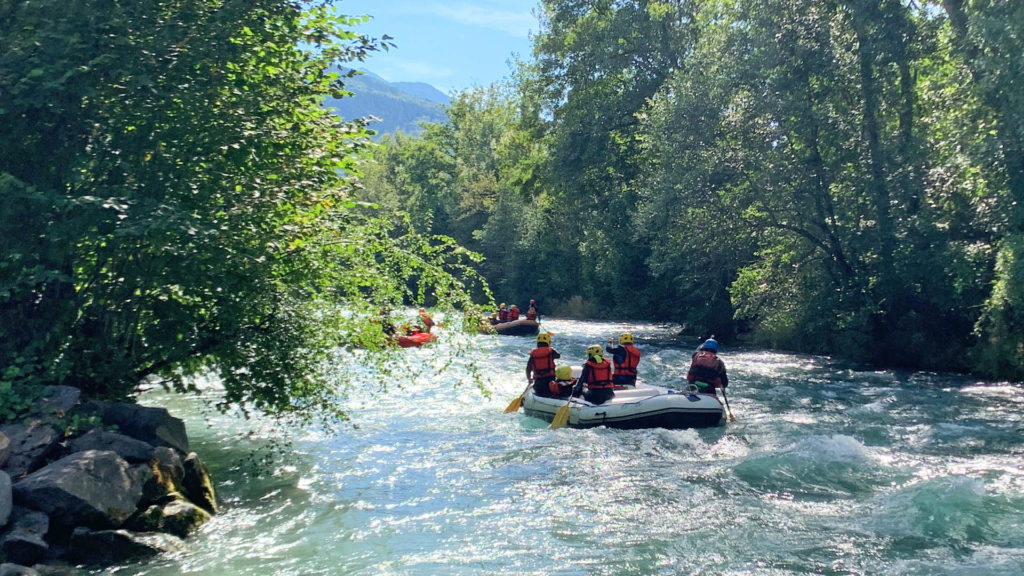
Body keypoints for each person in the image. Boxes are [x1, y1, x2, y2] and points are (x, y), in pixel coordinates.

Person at [526, 332, 561, 398]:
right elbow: (558, 356)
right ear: (548, 342)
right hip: (550, 385)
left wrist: (529, 378)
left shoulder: (533, 355)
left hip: (538, 385)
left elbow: (528, 368)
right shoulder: (551, 351)